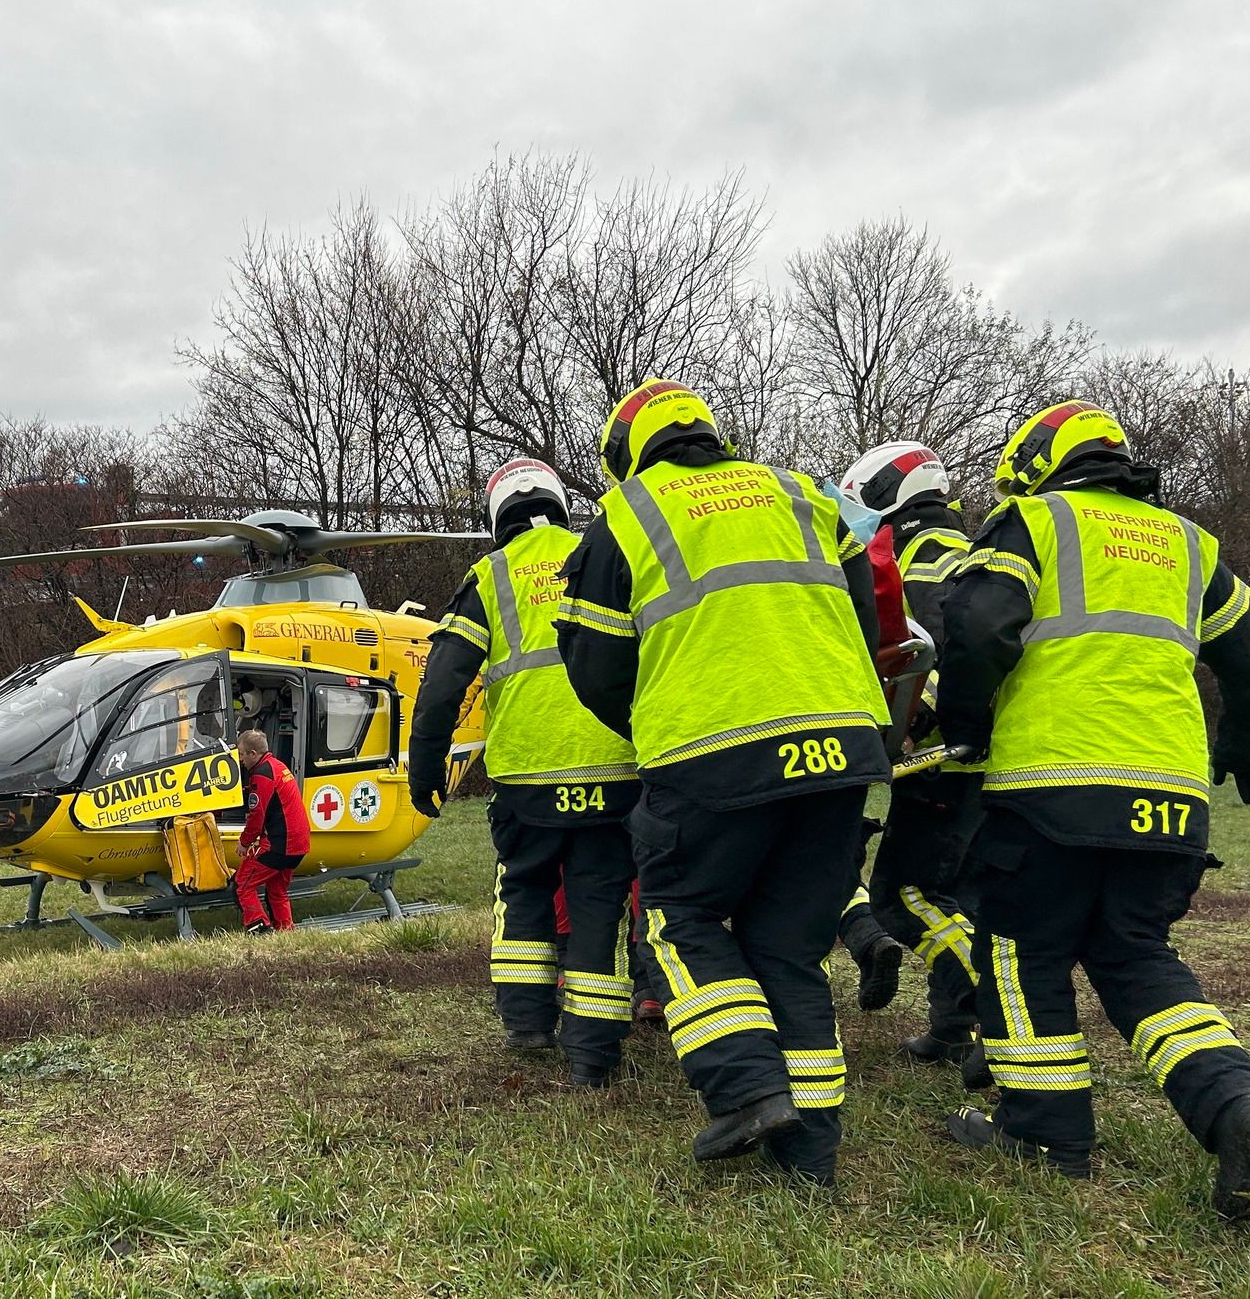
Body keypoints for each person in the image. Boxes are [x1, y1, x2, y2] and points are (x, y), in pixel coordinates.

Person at [937, 399, 1250, 1219]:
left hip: (1055, 785)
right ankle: (1240, 1108)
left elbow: (980, 623)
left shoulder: (1035, 520)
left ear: (1032, 464)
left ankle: (1045, 1133)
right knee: (1135, 955)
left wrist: (963, 725)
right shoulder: (1189, 543)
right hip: (1171, 794)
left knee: (1021, 950)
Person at [557, 378, 891, 1186]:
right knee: (791, 947)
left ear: (626, 451)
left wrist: (654, 715)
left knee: (681, 919)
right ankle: (810, 1155)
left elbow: (595, 662)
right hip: (842, 750)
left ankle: (745, 1089)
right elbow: (871, 606)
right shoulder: (800, 491)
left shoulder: (629, 514)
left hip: (712, 755)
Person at [409, 457, 640, 1087]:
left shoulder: (492, 576)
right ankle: (593, 1054)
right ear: (562, 506)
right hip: (616, 777)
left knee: (524, 897)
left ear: (495, 517)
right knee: (598, 910)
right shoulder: (606, 553)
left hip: (527, 781)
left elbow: (442, 685)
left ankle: (527, 1024)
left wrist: (425, 765)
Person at [837, 441, 984, 1070]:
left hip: (944, 757)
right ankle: (954, 1031)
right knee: (964, 897)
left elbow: (918, 649)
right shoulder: (978, 552)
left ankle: (997, 1006)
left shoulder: (915, 560)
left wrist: (910, 713)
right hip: (1004, 759)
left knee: (905, 896)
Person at [234, 729, 310, 934]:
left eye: (241, 754)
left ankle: (260, 929)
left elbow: (257, 814)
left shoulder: (262, 775)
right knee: (277, 890)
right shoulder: (279, 766)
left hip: (280, 844)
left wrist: (245, 842)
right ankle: (285, 930)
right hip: (299, 844)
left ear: (253, 754)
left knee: (243, 884)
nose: (240, 759)